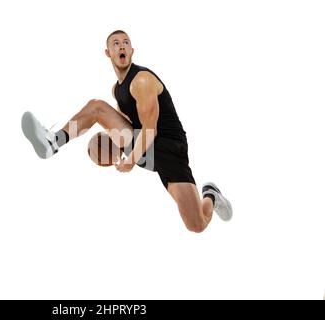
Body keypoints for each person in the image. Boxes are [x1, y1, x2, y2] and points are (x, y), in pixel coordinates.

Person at [21, 30, 232, 233]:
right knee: (97, 109)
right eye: (115, 43)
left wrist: (130, 160)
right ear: (108, 53)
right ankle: (53, 142)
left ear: (132, 50)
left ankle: (210, 194)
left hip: (169, 148)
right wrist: (113, 146)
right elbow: (131, 124)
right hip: (149, 152)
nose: (121, 46)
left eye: (125, 43)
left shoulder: (142, 80)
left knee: (197, 224)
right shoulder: (117, 90)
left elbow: (150, 129)